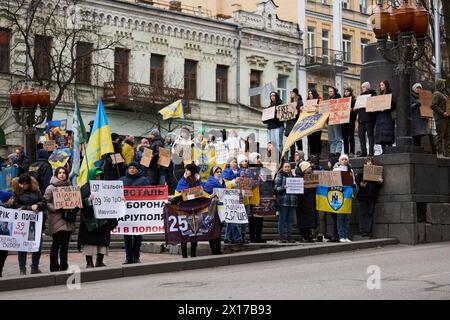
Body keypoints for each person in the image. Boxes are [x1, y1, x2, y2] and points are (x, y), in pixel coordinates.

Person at [78, 167, 118, 268]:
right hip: (90, 220)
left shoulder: (105, 187)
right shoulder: (85, 188)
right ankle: (89, 262)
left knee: (103, 242)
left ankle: (99, 261)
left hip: (103, 219)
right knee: (89, 243)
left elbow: (111, 199)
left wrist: (118, 199)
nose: (98, 178)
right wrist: (88, 199)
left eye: (100, 176)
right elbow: (79, 203)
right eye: (96, 176)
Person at [10, 174, 46, 275]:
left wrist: (38, 205)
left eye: (25, 184)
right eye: (21, 184)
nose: (23, 186)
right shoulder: (16, 192)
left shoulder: (37, 191)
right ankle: (22, 268)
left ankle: (35, 266)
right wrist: (30, 208)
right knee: (22, 246)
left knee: (37, 246)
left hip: (36, 223)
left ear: (29, 184)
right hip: (22, 223)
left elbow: (44, 202)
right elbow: (15, 206)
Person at [44, 167, 77, 272]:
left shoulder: (70, 187)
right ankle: (54, 266)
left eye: (64, 173)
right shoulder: (51, 188)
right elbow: (45, 202)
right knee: (56, 244)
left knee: (65, 245)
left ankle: (64, 266)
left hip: (67, 219)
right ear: (56, 175)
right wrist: (55, 208)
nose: (62, 175)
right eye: (60, 173)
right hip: (56, 219)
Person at [119, 162, 150, 264]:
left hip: (138, 213)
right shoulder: (122, 180)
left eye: (134, 168)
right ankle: (128, 257)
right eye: (130, 168)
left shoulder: (143, 180)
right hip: (126, 213)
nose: (132, 169)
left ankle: (136, 257)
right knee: (127, 236)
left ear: (137, 169)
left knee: (138, 236)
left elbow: (149, 193)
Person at [174, 163, 203, 258]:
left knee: (194, 232)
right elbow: (177, 194)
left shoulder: (198, 181)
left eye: (188, 170)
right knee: (184, 232)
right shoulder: (182, 181)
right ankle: (184, 254)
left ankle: (193, 254)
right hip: (184, 209)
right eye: (185, 170)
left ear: (193, 172)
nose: (186, 172)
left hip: (195, 209)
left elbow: (203, 193)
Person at [355, 157, 383, 239]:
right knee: (363, 214)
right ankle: (363, 231)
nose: (370, 164)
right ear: (365, 163)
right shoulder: (361, 171)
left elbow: (378, 186)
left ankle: (368, 231)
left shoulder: (376, 172)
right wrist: (360, 184)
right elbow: (356, 181)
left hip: (372, 196)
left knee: (370, 214)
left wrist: (380, 181)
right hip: (363, 196)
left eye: (371, 162)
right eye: (368, 162)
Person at [204, 166, 227, 255]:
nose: (219, 173)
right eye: (217, 172)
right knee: (213, 229)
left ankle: (218, 249)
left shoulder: (223, 182)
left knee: (219, 229)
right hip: (212, 209)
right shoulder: (209, 182)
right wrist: (212, 195)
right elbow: (206, 194)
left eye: (220, 171)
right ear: (213, 173)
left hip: (221, 208)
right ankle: (213, 249)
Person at [333, 154, 355, 242]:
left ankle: (346, 235)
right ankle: (341, 235)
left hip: (348, 196)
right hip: (338, 195)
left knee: (347, 217)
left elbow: (353, 182)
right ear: (339, 161)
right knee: (340, 216)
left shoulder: (351, 171)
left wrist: (353, 185)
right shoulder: (336, 170)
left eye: (346, 159)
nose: (344, 161)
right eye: (342, 159)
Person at [274, 161, 297, 243]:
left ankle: (289, 237)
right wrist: (284, 187)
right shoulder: (279, 176)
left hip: (292, 202)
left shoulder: (293, 176)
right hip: (283, 201)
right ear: (282, 168)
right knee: (282, 220)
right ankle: (281, 237)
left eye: (288, 167)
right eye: (286, 167)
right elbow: (276, 188)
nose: (287, 168)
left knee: (290, 220)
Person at [295, 161, 318, 242]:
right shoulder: (298, 178)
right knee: (303, 220)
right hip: (302, 202)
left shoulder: (310, 177)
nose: (311, 168)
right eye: (309, 167)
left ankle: (308, 236)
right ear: (304, 169)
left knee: (309, 221)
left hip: (310, 202)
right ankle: (303, 236)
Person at [222, 157, 243, 244]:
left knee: (232, 217)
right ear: (229, 163)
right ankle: (238, 238)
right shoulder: (225, 172)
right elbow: (225, 184)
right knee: (233, 218)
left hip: (238, 195)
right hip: (229, 197)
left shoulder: (240, 172)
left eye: (236, 162)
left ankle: (227, 237)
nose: (235, 163)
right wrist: (234, 181)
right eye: (233, 162)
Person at [248, 152, 266, 243]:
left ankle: (259, 237)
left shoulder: (263, 170)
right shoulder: (249, 170)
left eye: (259, 158)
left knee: (260, 219)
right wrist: (257, 181)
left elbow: (267, 182)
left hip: (262, 197)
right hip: (252, 198)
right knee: (253, 219)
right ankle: (252, 237)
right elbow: (248, 185)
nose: (259, 160)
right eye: (256, 158)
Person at [375, 80, 396, 153]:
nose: (381, 87)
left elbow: (393, 105)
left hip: (387, 117)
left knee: (388, 133)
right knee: (381, 135)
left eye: (382, 85)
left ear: (386, 85)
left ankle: (390, 150)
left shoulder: (391, 94)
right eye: (380, 85)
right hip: (380, 118)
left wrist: (386, 108)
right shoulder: (379, 96)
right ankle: (383, 150)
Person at [263, 91, 284, 161]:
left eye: (273, 96)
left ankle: (280, 159)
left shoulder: (280, 106)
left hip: (278, 127)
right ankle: (273, 158)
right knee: (272, 145)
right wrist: (265, 117)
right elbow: (265, 121)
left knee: (278, 144)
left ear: (276, 96)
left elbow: (282, 117)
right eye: (271, 96)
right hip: (270, 128)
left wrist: (273, 116)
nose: (272, 97)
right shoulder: (269, 107)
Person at [357, 82, 377, 157]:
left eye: (364, 87)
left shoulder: (373, 94)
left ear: (368, 87)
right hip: (361, 119)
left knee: (370, 136)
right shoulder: (360, 96)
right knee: (361, 136)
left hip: (369, 118)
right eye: (362, 87)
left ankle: (371, 152)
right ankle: (363, 152)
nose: (362, 88)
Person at [431, 79, 450, 157]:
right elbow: (434, 105)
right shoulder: (437, 94)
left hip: (447, 118)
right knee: (440, 135)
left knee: (448, 136)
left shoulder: (445, 94)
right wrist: (443, 112)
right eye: (443, 84)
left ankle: (447, 153)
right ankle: (440, 153)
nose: (444, 86)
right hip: (441, 118)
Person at [285, 88, 303, 161]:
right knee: (291, 142)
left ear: (295, 94)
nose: (291, 94)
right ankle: (292, 156)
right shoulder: (290, 103)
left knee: (298, 141)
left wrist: (296, 108)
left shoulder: (300, 102)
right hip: (290, 124)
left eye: (292, 93)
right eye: (290, 93)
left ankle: (300, 155)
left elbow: (300, 110)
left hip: (297, 123)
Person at [305, 89, 322, 157]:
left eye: (311, 94)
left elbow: (322, 111)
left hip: (317, 124)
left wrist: (318, 106)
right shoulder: (307, 102)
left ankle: (317, 154)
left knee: (317, 139)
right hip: (309, 124)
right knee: (310, 140)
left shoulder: (319, 102)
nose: (310, 95)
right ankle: (312, 154)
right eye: (309, 94)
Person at [327, 87, 343, 156]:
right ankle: (332, 152)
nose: (329, 93)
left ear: (334, 92)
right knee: (331, 138)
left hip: (336, 119)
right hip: (329, 120)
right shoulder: (328, 100)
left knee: (337, 137)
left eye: (331, 91)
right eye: (329, 91)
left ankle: (338, 152)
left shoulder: (338, 98)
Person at [342, 87, 357, 157]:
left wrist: (352, 110)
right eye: (345, 92)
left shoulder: (353, 100)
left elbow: (356, 110)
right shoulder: (342, 101)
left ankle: (352, 152)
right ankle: (346, 152)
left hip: (351, 121)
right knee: (345, 138)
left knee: (351, 137)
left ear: (350, 92)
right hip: (343, 122)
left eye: (347, 92)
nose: (346, 93)